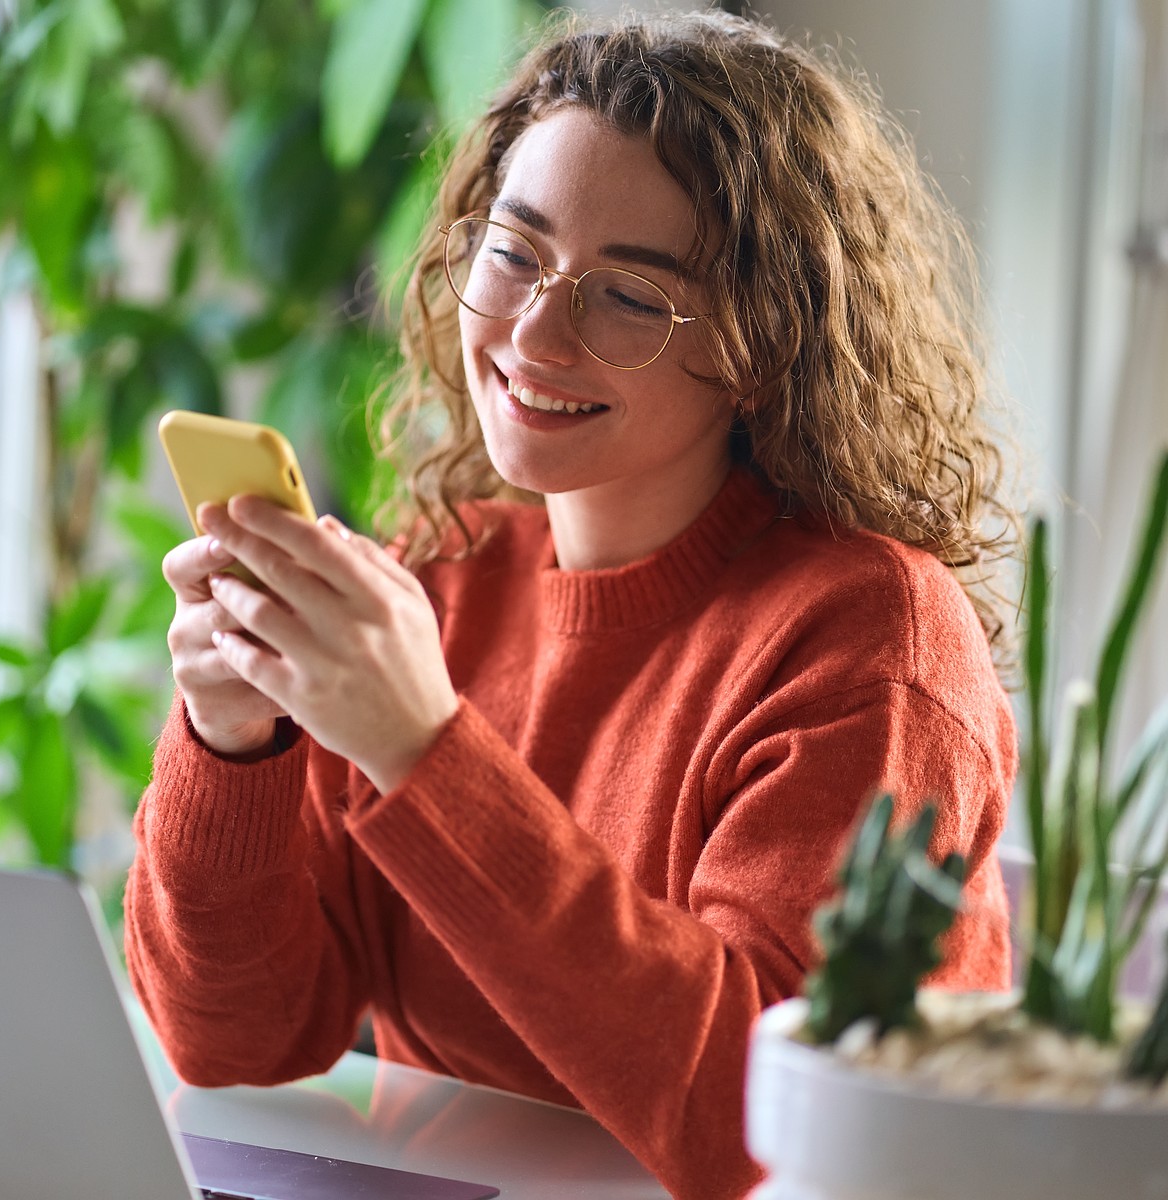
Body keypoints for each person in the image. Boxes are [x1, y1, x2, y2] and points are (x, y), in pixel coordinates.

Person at [124, 11, 1019, 1199]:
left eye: (631, 300)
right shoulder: (436, 578)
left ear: (763, 343)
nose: (538, 332)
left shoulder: (872, 644)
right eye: (513, 251)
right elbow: (232, 1040)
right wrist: (233, 743)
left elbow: (762, 1132)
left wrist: (423, 752)